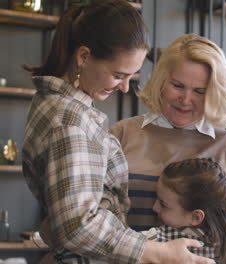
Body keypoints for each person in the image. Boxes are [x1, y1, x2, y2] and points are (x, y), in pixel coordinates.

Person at [21, 1, 213, 263]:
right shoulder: (70, 121)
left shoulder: (56, 105)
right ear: (84, 57)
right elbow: (77, 226)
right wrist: (157, 253)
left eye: (131, 76)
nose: (124, 88)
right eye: (118, 75)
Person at [110, 33, 226, 264]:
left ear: (214, 93)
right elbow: (94, 220)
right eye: (178, 86)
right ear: (161, 82)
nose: (185, 99)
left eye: (199, 91)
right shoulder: (122, 134)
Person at [142, 158, 226, 263]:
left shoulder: (153, 240)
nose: (154, 207)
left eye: (163, 204)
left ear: (196, 217)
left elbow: (124, 246)